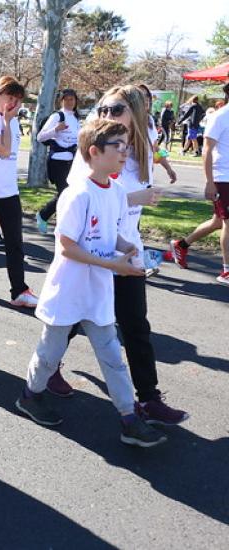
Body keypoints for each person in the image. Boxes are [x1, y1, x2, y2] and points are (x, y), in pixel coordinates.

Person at [15, 118, 166, 447]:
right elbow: (67, 247)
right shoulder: (76, 194)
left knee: (112, 354)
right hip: (68, 290)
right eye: (119, 147)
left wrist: (132, 252)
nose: (125, 153)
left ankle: (129, 419)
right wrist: (111, 263)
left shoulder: (116, 191)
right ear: (94, 152)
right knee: (49, 353)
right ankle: (30, 396)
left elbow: (113, 235)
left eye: (127, 146)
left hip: (98, 292)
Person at [55, 85, 189, 424]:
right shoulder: (93, 145)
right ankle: (45, 371)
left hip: (128, 249)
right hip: (94, 250)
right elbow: (82, 194)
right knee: (72, 318)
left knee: (135, 326)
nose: (106, 116)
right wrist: (136, 198)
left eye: (115, 110)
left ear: (135, 112)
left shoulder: (139, 146)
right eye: (103, 109)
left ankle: (149, 399)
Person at [0, 76, 40, 308]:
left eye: (17, 99)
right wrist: (6, 121)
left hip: (8, 191)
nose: (13, 103)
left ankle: (19, 290)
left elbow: (9, 155)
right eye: (9, 98)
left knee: (15, 244)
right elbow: (3, 151)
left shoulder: (11, 120)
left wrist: (9, 120)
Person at [167, 82, 229, 285]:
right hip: (222, 177)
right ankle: (226, 271)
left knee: (218, 222)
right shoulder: (220, 116)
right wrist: (209, 182)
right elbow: (206, 151)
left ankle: (181, 244)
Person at [35, 88, 80, 233]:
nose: (69, 102)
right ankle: (44, 215)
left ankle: (62, 224)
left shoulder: (75, 117)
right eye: (66, 99)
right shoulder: (57, 116)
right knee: (64, 193)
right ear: (61, 101)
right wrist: (56, 129)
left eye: (72, 99)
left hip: (72, 161)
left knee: (69, 193)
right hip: (57, 161)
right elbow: (40, 137)